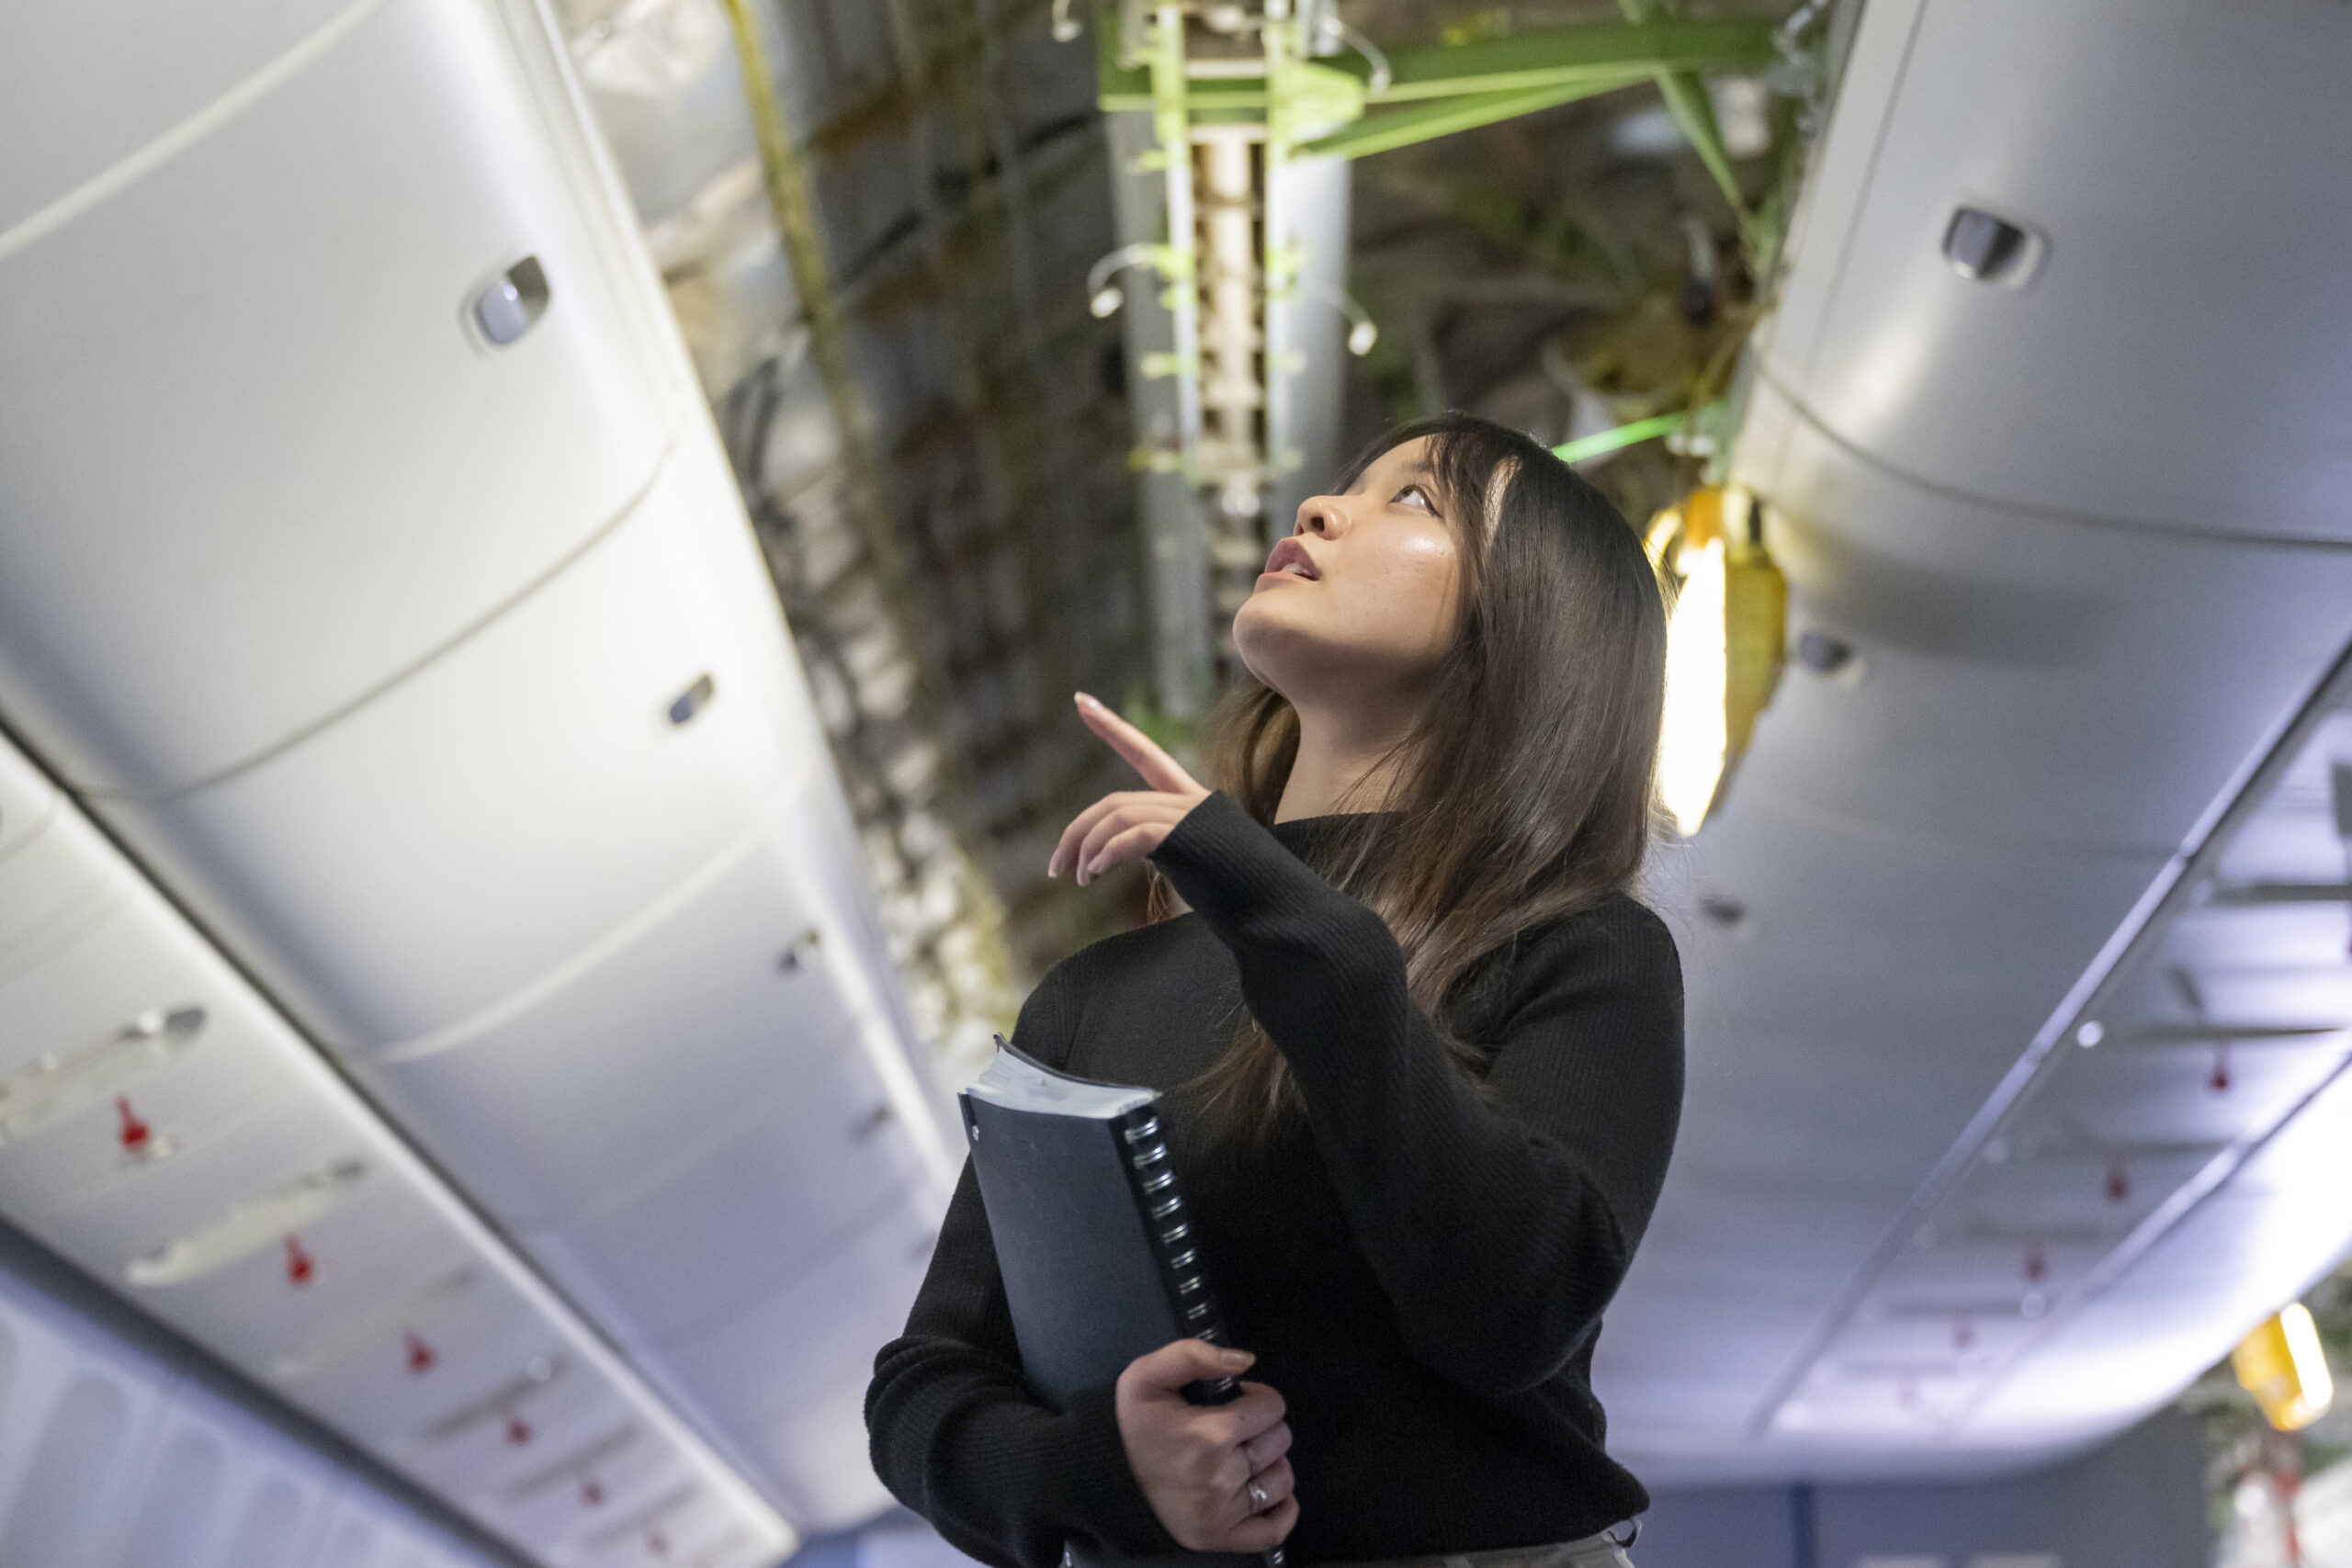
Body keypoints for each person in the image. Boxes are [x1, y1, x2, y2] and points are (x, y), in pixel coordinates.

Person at [865, 412, 1684, 1568]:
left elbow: (1511, 1311)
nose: (1319, 509)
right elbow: (927, 1386)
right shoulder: (1097, 995)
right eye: (1346, 484)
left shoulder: (1578, 950)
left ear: (1528, 630)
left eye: (1415, 501)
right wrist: (1101, 1470)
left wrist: (1277, 904)